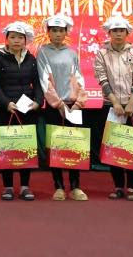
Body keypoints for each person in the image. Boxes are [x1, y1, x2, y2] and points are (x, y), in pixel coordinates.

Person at [93, 15, 133, 201]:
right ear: (109, 33)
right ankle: (118, 186)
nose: (118, 34)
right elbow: (102, 79)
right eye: (114, 31)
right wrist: (115, 102)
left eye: (121, 31)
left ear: (127, 33)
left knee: (132, 147)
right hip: (110, 106)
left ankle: (131, 186)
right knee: (113, 148)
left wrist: (131, 102)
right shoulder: (101, 54)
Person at [37, 13, 88, 201]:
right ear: (48, 32)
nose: (58, 34)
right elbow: (44, 80)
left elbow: (79, 78)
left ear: (67, 32)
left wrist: (78, 102)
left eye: (61, 30)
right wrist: (57, 103)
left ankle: (76, 187)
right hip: (54, 107)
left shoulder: (72, 53)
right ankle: (58, 186)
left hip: (73, 106)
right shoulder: (43, 52)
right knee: (56, 146)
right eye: (54, 31)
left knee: (75, 146)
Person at [0, 21, 41, 201]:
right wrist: (5, 103)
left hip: (27, 109)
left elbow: (38, 84)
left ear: (25, 40)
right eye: (13, 37)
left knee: (25, 147)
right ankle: (8, 187)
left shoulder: (31, 58)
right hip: (7, 109)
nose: (17, 41)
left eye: (20, 37)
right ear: (7, 39)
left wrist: (38, 102)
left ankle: (25, 186)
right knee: (7, 147)